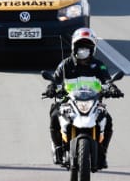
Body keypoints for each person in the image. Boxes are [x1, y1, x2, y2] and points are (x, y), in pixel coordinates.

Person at [44, 28, 120, 168]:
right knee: (54, 114)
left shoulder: (99, 65)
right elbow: (55, 79)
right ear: (74, 47)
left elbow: (107, 80)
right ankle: (58, 148)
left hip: (93, 102)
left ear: (93, 49)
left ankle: (102, 153)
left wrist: (112, 88)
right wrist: (51, 88)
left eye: (87, 47)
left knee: (107, 120)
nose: (83, 50)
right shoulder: (66, 64)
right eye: (80, 47)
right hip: (69, 102)